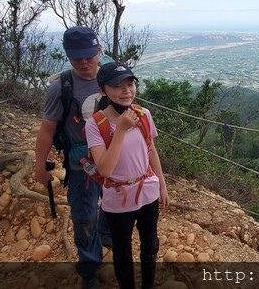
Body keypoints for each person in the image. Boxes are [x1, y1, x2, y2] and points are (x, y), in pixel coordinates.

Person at [34, 26, 109, 289]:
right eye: (78, 57)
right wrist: (40, 165)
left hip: (113, 157)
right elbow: (47, 129)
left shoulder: (112, 79)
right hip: (82, 164)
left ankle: (107, 235)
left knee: (113, 205)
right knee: (84, 215)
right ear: (67, 55)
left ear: (99, 50)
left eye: (89, 55)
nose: (85, 61)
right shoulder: (61, 87)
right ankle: (89, 269)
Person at [85, 62, 169, 289]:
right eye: (117, 86)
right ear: (103, 90)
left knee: (150, 245)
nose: (126, 91)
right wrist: (120, 129)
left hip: (147, 191)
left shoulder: (143, 114)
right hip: (118, 197)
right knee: (122, 251)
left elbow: (151, 150)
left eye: (130, 84)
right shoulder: (95, 124)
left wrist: (162, 184)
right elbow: (105, 169)